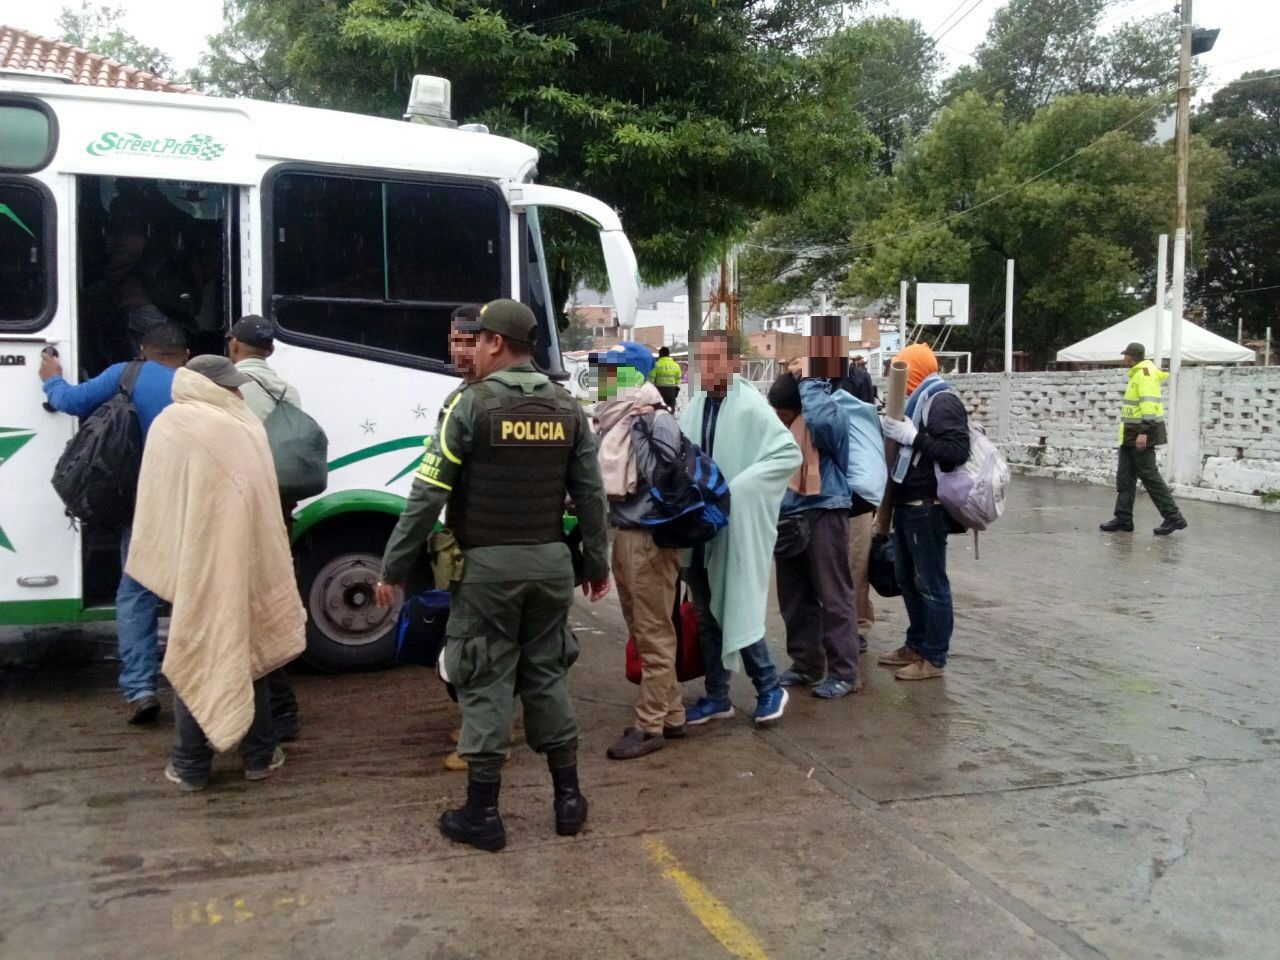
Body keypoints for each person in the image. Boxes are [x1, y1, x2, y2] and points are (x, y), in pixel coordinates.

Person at [375, 299, 611, 853]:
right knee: (548, 675)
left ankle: (483, 815)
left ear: (498, 345)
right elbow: (592, 495)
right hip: (550, 565)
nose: (471, 349)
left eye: (477, 340)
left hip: (486, 570)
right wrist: (595, 563)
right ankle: (569, 801)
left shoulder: (470, 406)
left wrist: (393, 565)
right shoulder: (567, 406)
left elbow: (428, 491)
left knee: (483, 679)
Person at [126, 355, 306, 791]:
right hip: (247, 559)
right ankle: (259, 756)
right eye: (230, 384)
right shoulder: (242, 425)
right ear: (205, 385)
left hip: (195, 561)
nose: (238, 391)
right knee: (249, 649)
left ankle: (191, 765)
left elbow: (158, 503)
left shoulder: (172, 426)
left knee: (199, 643)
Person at [38, 323, 190, 725]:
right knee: (191, 594)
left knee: (136, 592)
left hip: (139, 505)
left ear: (144, 350)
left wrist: (51, 380)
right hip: (191, 504)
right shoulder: (200, 384)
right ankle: (195, 684)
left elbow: (71, 401)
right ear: (185, 355)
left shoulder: (127, 374)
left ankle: (140, 689)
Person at [679, 330, 801, 726]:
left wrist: (738, 490)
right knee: (707, 614)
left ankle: (769, 687)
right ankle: (718, 696)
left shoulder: (750, 406)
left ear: (733, 363)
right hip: (698, 527)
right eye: (702, 360)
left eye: (715, 360)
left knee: (737, 607)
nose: (707, 368)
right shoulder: (694, 406)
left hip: (734, 524)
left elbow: (787, 453)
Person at [590, 343, 687, 759]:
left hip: (648, 538)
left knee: (653, 632)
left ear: (634, 373)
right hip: (625, 533)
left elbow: (665, 483)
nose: (603, 377)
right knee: (642, 628)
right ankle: (673, 713)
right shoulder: (615, 419)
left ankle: (649, 726)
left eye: (612, 370)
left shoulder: (653, 419)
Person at [226, 314, 304, 743]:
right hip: (278, 510)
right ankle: (283, 712)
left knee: (241, 615)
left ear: (234, 345)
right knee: (270, 609)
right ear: (270, 349)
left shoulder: (224, 388)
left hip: (238, 513)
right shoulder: (285, 389)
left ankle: (262, 719)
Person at [877, 343, 970, 681]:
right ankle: (915, 644)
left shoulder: (941, 400)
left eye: (901, 369)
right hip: (907, 503)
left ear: (914, 370)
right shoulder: (915, 401)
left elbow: (955, 452)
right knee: (908, 579)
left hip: (926, 506)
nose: (894, 378)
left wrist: (913, 437)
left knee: (930, 582)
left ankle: (934, 657)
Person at [768, 366, 861, 699]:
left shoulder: (829, 419)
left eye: (784, 414)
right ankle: (805, 664)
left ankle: (845, 672)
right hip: (788, 513)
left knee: (834, 595)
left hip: (825, 508)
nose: (779, 421)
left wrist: (809, 381)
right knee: (794, 597)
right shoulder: (780, 431)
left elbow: (819, 420)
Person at [1099, 342, 1187, 536]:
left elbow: (1149, 405)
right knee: (1125, 477)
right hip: (1130, 433)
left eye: (1125, 356)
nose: (1124, 359)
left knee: (1150, 477)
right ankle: (1123, 518)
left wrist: (1144, 432)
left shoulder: (1145, 374)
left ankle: (1174, 517)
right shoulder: (1137, 373)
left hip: (1141, 434)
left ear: (1131, 357)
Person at [652, 346, 683, 410]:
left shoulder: (656, 364)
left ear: (660, 354)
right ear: (669, 354)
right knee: (671, 409)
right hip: (671, 391)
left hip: (659, 391)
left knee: (659, 409)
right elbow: (678, 381)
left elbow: (651, 380)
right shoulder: (676, 365)